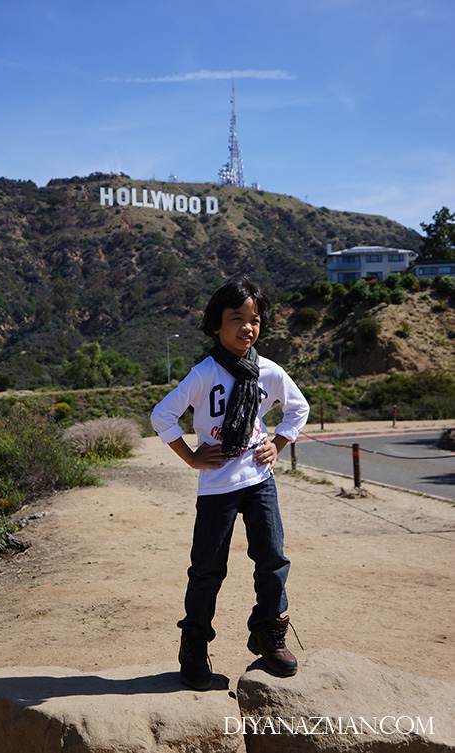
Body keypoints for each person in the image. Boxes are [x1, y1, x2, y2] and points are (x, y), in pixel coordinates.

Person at [151, 273, 309, 690]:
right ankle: (194, 648)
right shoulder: (204, 374)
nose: (247, 327)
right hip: (217, 485)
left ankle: (269, 636)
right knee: (206, 570)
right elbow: (162, 415)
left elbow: (298, 409)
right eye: (237, 318)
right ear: (216, 325)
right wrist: (191, 457)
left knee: (272, 559)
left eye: (255, 319)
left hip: (259, 480)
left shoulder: (268, 372)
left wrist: (276, 444)